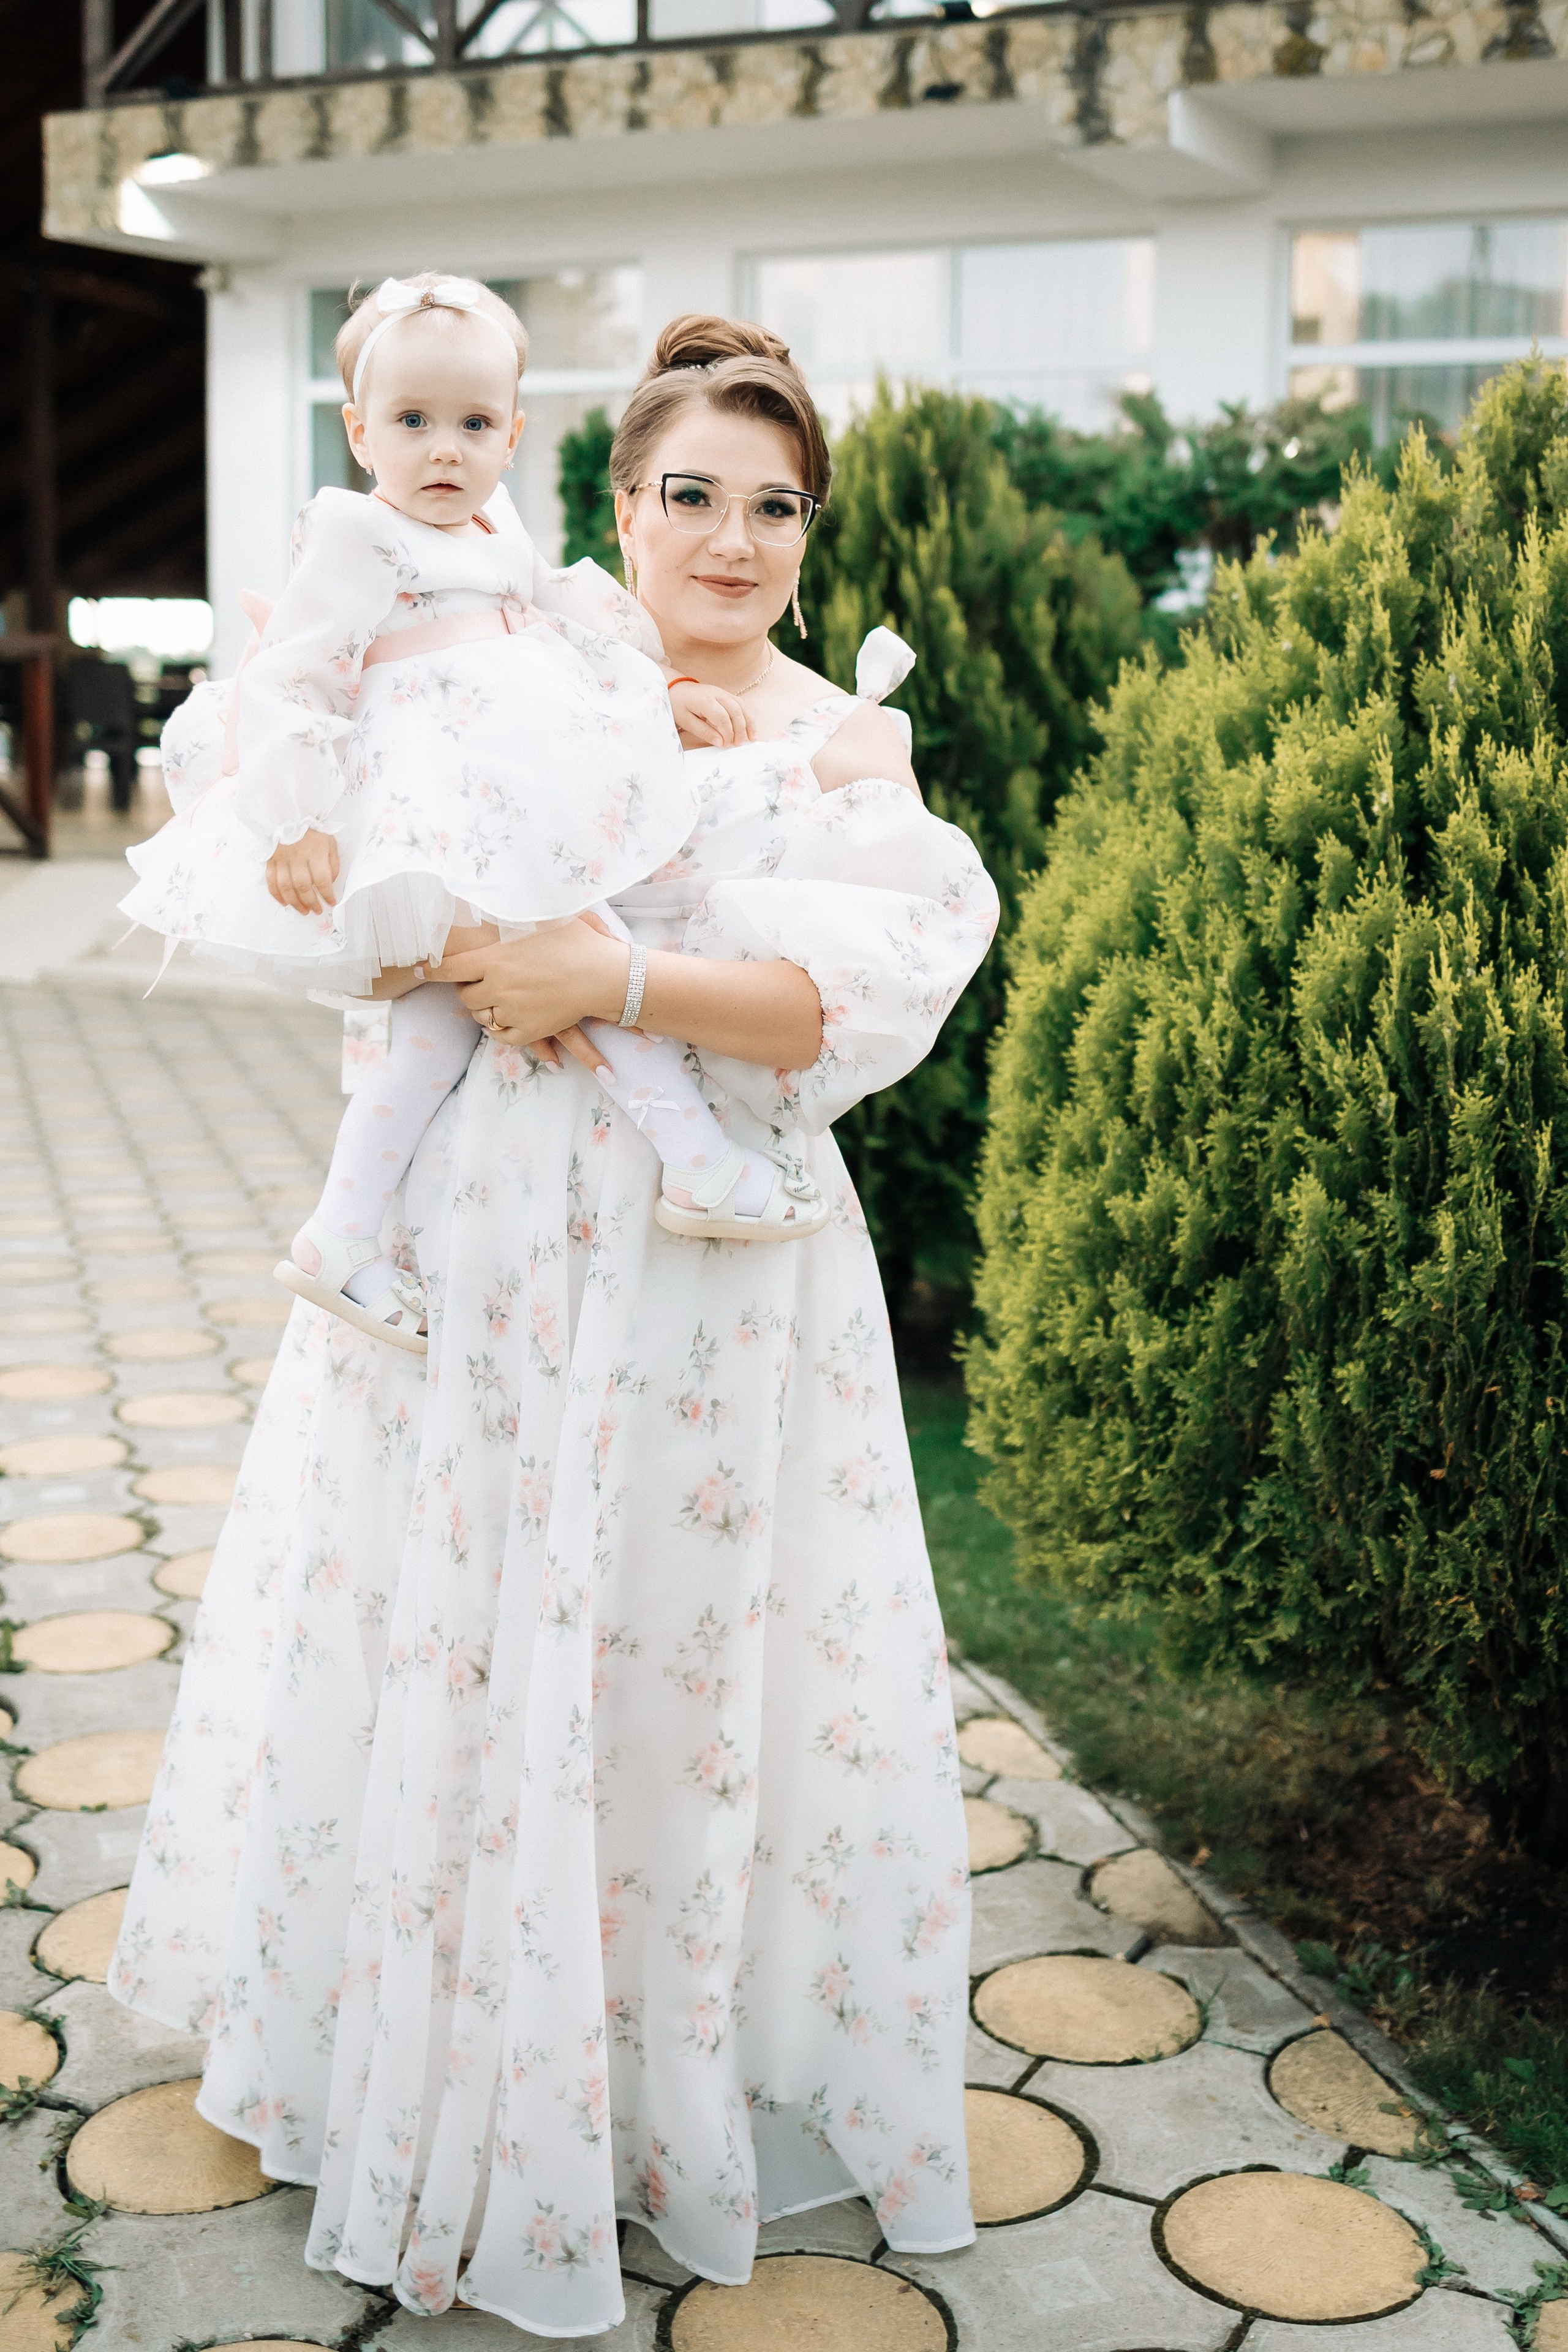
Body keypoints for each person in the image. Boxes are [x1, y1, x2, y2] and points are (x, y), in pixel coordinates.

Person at [110, 313, 999, 2339]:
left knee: (668, 1673)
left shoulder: (839, 736)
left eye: (774, 506)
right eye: (692, 494)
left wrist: (613, 972)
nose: (733, 539)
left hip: (713, 1285)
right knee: (466, 1635)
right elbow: (342, 838)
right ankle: (451, 2077)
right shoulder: (530, 659)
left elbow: (849, 1009)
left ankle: (636, 2093)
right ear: (619, 506)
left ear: (807, 531)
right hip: (484, 1257)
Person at [122, 277, 829, 1355]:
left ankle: (345, 1227)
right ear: (359, 433)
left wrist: (663, 693)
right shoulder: (355, 535)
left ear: (513, 436)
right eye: (412, 423)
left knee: (464, 1011)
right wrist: (296, 820)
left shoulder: (497, 536)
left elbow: (579, 615)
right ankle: (696, 1156)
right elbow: (286, 682)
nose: (443, 451)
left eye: (473, 425)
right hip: (426, 804)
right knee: (569, 941)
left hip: (493, 795)